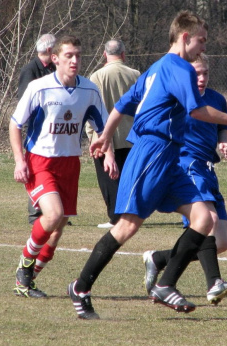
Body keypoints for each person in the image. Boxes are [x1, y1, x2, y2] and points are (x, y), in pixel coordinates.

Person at [67, 11, 227, 320]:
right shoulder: (178, 67)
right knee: (126, 227)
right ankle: (81, 286)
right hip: (152, 153)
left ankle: (166, 284)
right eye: (201, 40)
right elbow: (196, 110)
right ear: (184, 38)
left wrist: (106, 134)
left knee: (204, 217)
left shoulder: (156, 69)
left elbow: (123, 105)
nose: (202, 48)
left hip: (171, 157)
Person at [9, 35, 118, 298]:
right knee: (53, 215)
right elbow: (15, 124)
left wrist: (110, 155)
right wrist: (19, 161)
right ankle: (24, 268)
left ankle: (27, 279)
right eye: (69, 55)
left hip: (70, 163)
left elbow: (104, 129)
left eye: (78, 55)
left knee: (57, 231)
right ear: (55, 58)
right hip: (40, 160)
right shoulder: (39, 87)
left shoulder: (89, 90)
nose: (75, 60)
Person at [142, 54, 227, 306]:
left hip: (208, 169)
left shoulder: (217, 99)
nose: (201, 78)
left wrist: (226, 143)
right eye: (196, 73)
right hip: (186, 167)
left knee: (220, 243)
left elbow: (223, 127)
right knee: (208, 221)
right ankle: (214, 284)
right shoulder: (179, 97)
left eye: (205, 73)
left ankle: (159, 259)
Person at [86, 39, 141, 229]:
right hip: (131, 136)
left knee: (108, 178)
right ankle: (130, 214)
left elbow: (93, 108)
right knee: (128, 177)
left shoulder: (97, 76)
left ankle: (115, 218)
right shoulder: (136, 75)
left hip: (106, 137)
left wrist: (91, 135)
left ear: (104, 54)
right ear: (124, 54)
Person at [17, 33, 57, 225]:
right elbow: (25, 102)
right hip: (38, 130)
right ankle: (35, 213)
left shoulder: (55, 69)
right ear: (49, 50)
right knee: (37, 170)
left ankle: (57, 212)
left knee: (56, 170)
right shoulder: (30, 70)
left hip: (56, 130)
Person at [17, 33, 56, 99]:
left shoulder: (55, 67)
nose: (58, 51)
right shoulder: (29, 70)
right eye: (56, 48)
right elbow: (24, 99)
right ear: (49, 50)